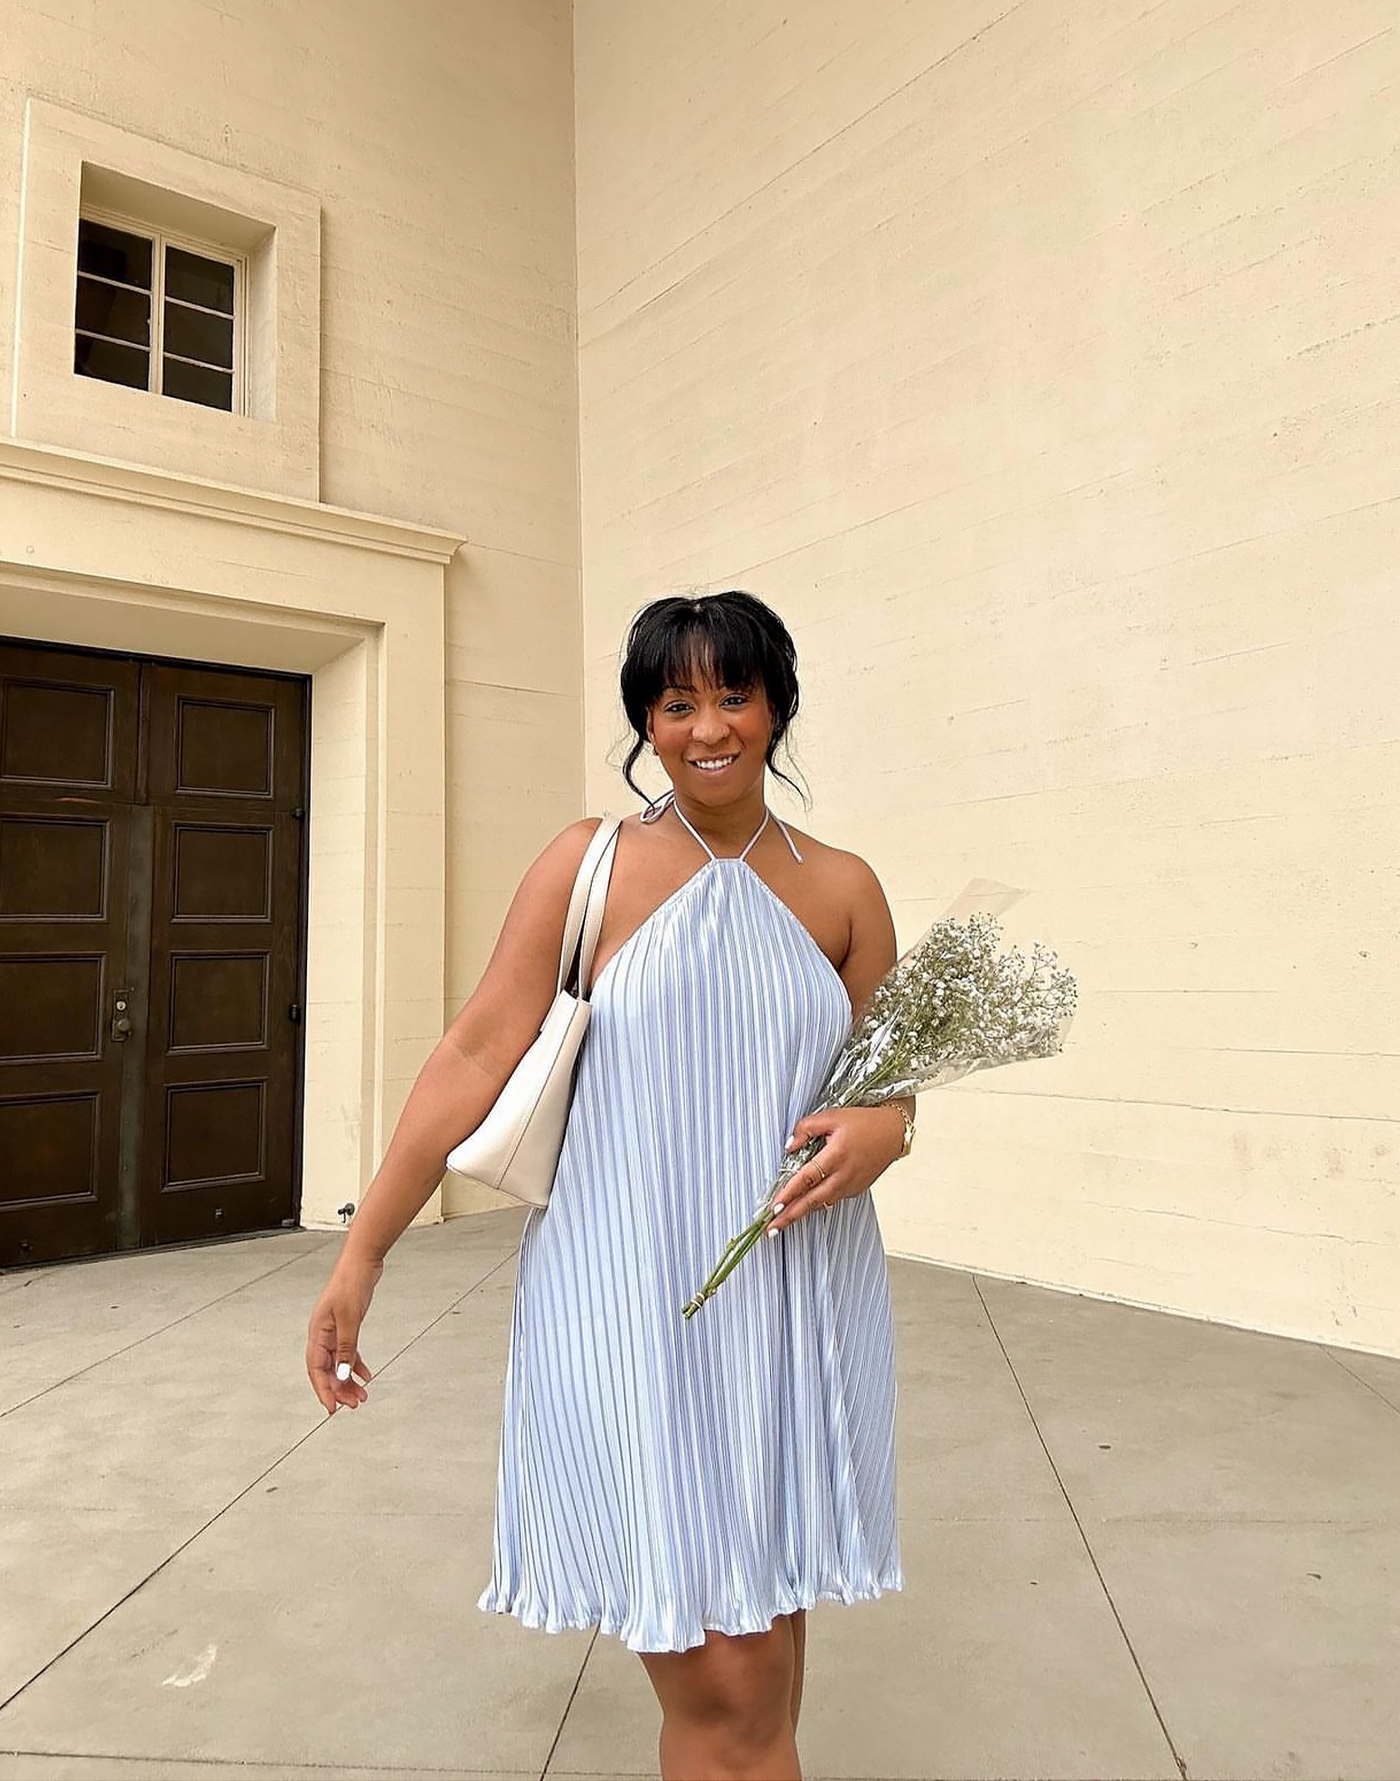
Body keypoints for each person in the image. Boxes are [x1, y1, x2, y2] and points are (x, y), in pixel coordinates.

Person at [306, 589, 914, 1781]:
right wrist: (362, 1253)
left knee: (765, 1674)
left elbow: (887, 1086)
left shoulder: (844, 887)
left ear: (777, 705)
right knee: (731, 1694)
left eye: (732, 693)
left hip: (792, 1304)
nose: (707, 726)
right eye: (675, 702)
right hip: (629, 1298)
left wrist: (882, 1130)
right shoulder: (589, 862)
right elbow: (473, 1051)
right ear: (645, 721)